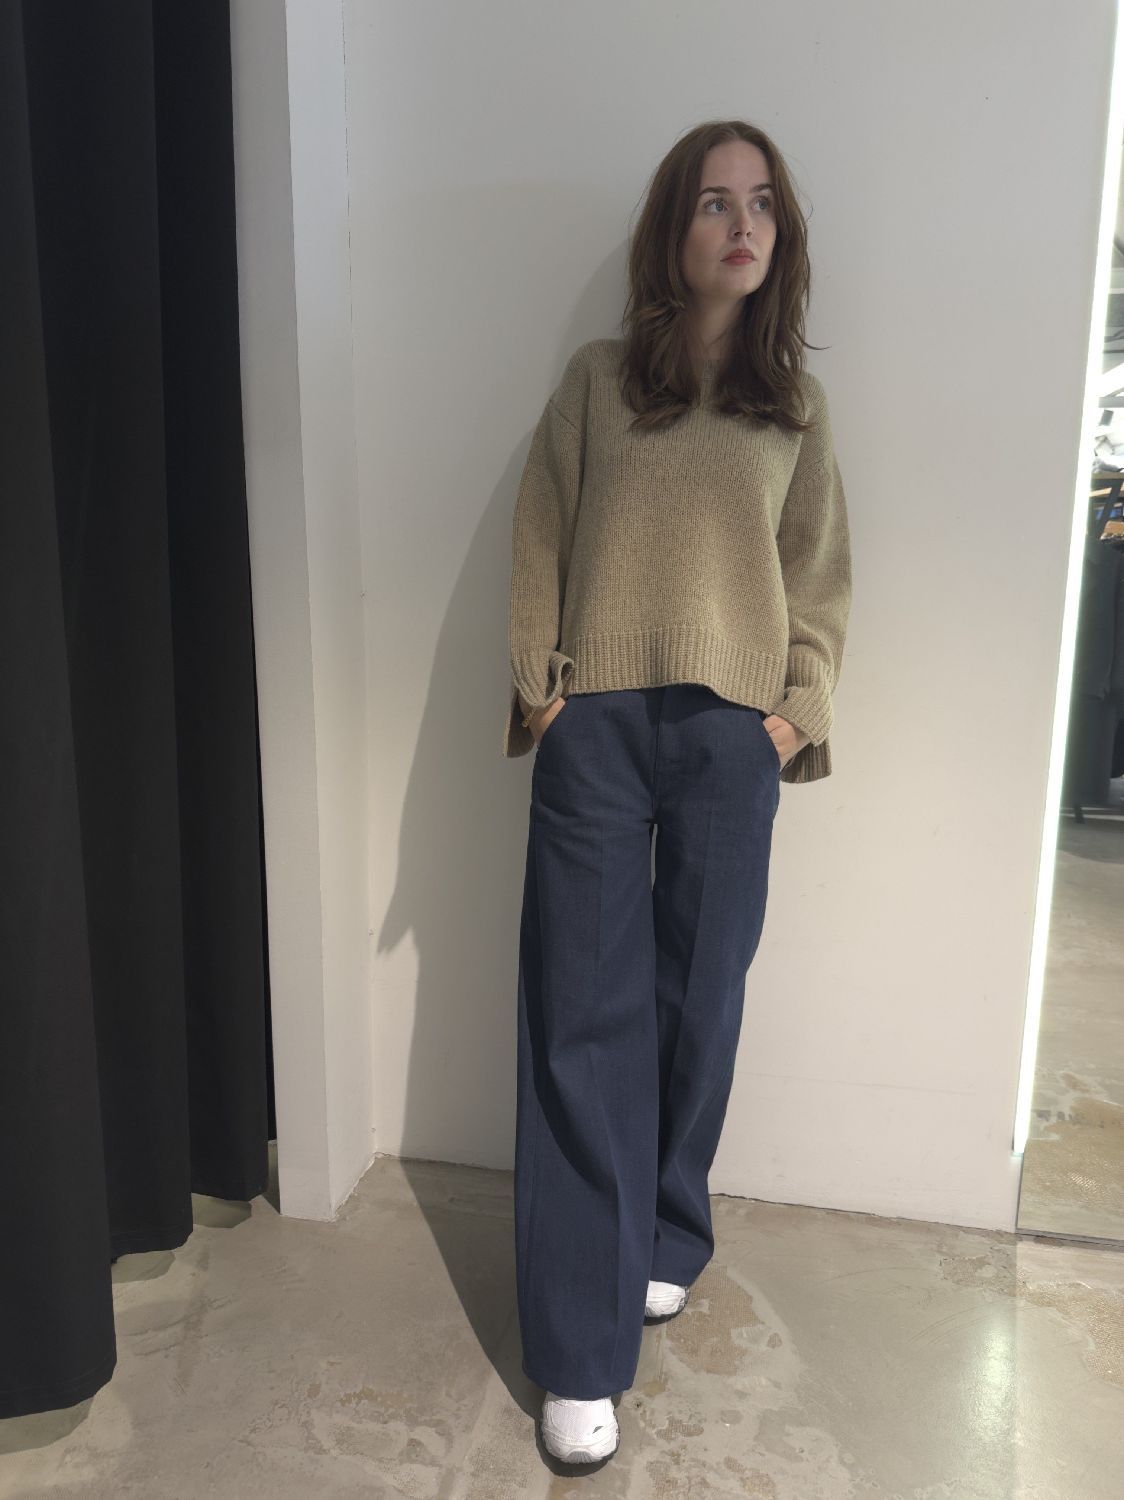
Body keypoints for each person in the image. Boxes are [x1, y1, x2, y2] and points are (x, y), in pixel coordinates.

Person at [503, 119, 853, 1466]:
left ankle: (664, 1229)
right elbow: (541, 530)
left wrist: (795, 712)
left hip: (728, 735)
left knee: (699, 999)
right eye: (714, 201)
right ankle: (578, 1352)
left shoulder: (794, 411)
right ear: (674, 230)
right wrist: (543, 690)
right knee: (579, 1021)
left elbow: (819, 576)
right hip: (597, 724)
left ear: (782, 238)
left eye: (760, 203)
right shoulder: (600, 385)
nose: (740, 223)